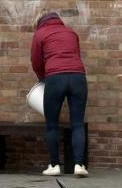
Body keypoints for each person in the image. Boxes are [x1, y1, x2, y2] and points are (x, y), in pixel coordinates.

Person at [31, 11, 88, 178]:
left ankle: (54, 165)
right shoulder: (71, 33)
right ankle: (79, 164)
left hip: (55, 78)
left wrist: (43, 78)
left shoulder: (39, 34)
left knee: (51, 124)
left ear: (39, 22)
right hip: (78, 77)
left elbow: (36, 61)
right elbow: (76, 54)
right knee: (77, 123)